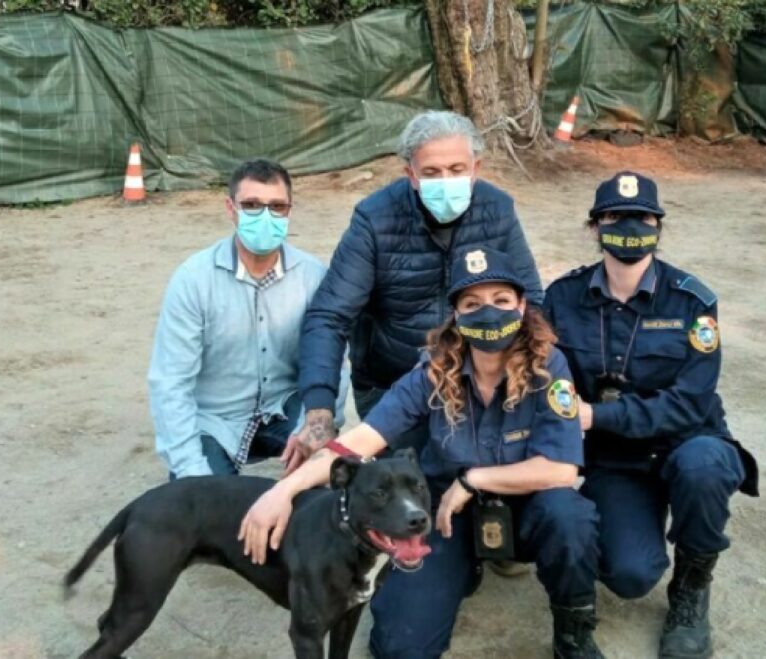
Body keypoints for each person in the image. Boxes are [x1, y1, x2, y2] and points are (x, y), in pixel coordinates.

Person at [240, 247, 602, 659]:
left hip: (527, 508)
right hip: (446, 516)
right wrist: (284, 490)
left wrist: (474, 480)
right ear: (456, 316)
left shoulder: (548, 365)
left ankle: (574, 632)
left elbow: (560, 469)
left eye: (501, 301)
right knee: (399, 647)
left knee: (569, 515)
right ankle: (462, 567)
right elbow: (361, 440)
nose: (488, 312)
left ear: (522, 306)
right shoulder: (435, 367)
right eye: (472, 303)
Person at [543, 171, 759, 659]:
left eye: (641, 217)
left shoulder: (693, 302)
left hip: (687, 442)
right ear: (595, 226)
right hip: (618, 462)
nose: (629, 227)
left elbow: (690, 403)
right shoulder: (561, 298)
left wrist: (596, 417)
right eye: (615, 217)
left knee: (704, 468)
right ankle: (643, 528)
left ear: (658, 226)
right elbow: (552, 382)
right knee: (630, 575)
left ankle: (691, 589)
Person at [282, 110, 543, 474]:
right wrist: (319, 412)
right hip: (392, 385)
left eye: (456, 169)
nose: (446, 180)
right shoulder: (375, 218)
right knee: (407, 497)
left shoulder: (497, 210)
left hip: (479, 380)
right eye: (432, 172)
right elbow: (329, 316)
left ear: (476, 167)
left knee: (495, 484)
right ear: (411, 175)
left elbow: (532, 302)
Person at [148, 159, 346, 479]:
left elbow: (335, 363)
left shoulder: (313, 277)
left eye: (277, 206)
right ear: (230, 208)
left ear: (290, 210)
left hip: (288, 408)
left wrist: (316, 431)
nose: (265, 216)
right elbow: (171, 382)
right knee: (207, 513)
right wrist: (192, 472)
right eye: (251, 205)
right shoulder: (193, 280)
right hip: (215, 419)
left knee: (327, 493)